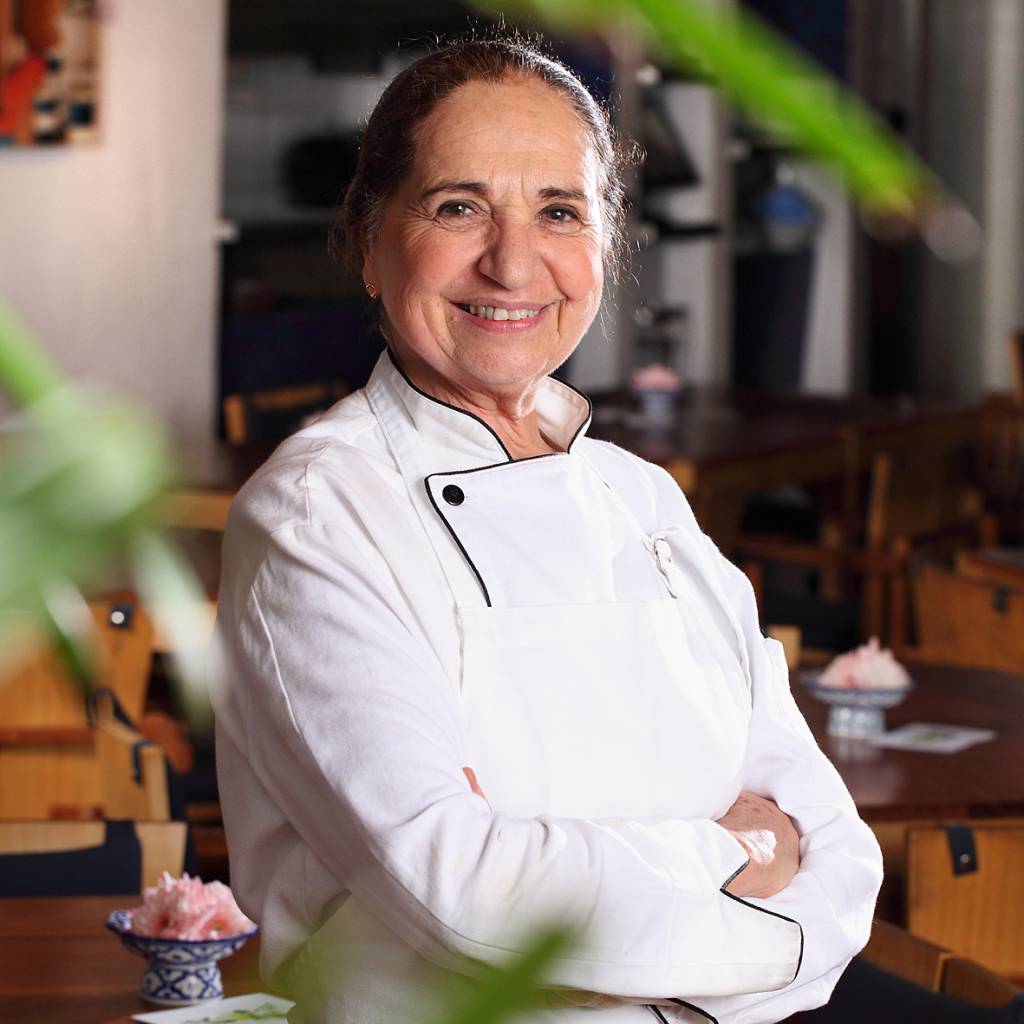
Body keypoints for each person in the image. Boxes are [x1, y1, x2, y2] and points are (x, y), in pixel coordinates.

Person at [212, 34, 1012, 1024]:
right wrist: (736, 849)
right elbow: (460, 888)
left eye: (558, 210)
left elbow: (838, 852)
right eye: (458, 206)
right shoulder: (318, 513)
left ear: (604, 243)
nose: (512, 261)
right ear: (369, 241)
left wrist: (638, 902)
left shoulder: (642, 497)